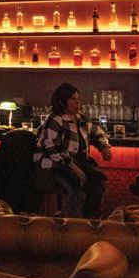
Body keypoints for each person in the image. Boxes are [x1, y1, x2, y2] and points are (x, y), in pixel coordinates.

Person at [34, 83, 112, 217]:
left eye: (78, 99)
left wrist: (104, 147)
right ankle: (72, 223)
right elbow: (52, 149)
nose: (78, 103)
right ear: (62, 101)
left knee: (98, 184)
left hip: (78, 164)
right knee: (76, 189)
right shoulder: (55, 120)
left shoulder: (81, 119)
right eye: (73, 99)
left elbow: (97, 132)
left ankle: (90, 221)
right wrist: (75, 169)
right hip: (55, 166)